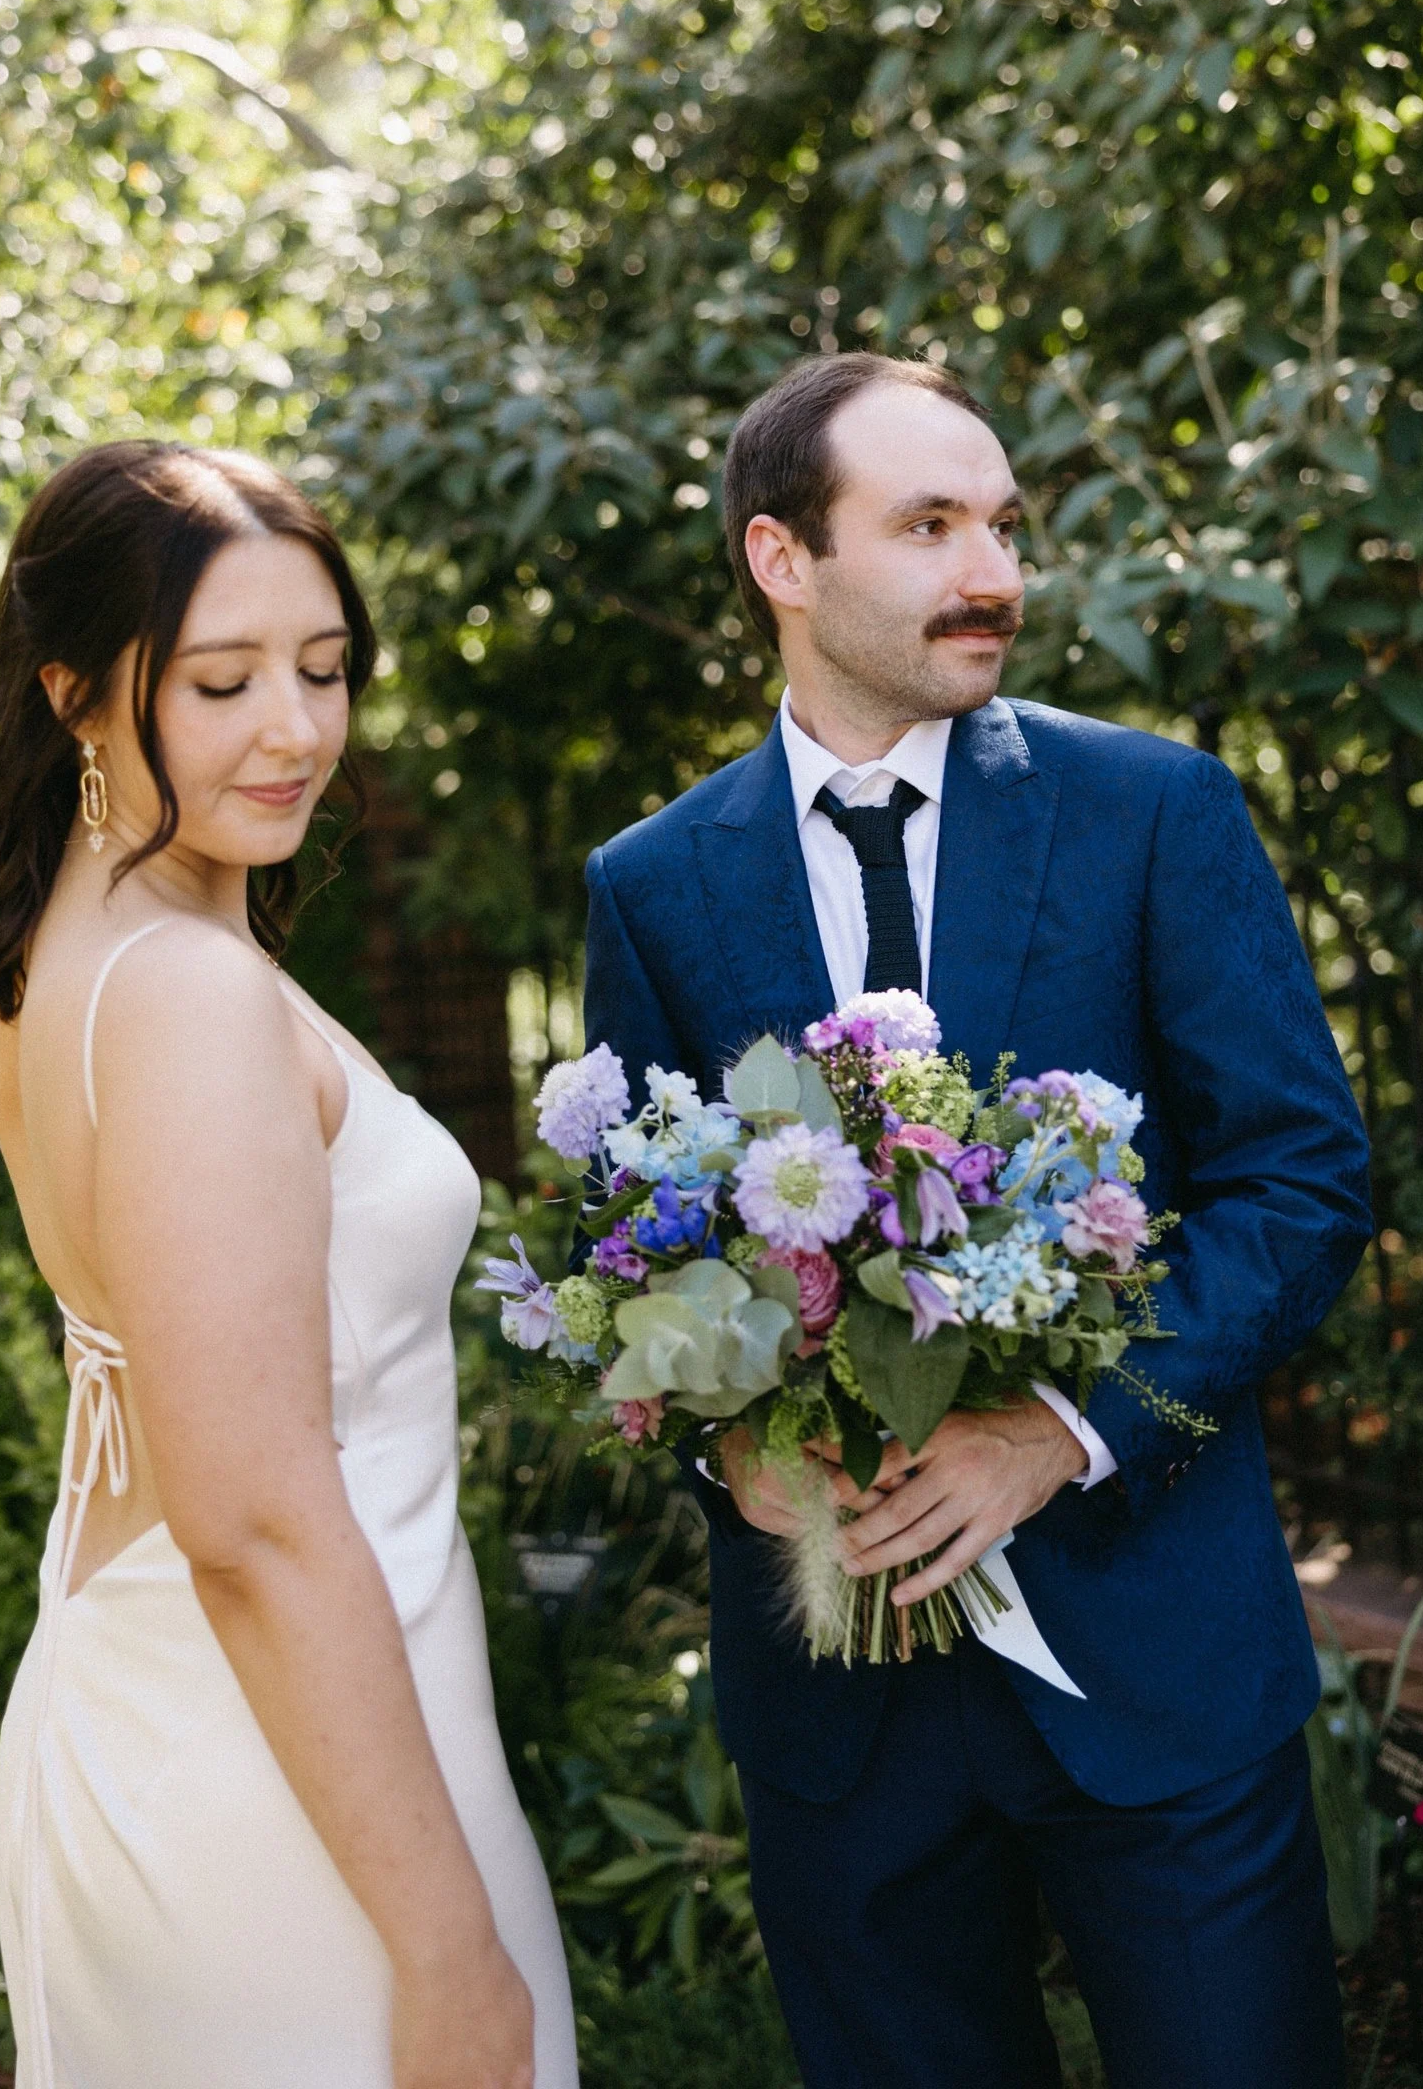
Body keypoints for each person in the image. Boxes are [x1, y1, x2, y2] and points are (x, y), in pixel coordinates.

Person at [581, 353, 1370, 2089]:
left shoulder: (1154, 811)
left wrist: (1061, 1434)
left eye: (1004, 524)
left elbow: (1303, 1183)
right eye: (930, 525)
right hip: (843, 1721)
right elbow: (630, 1246)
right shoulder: (653, 885)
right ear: (783, 561)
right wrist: (732, 1462)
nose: (993, 571)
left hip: (1155, 1664)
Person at [0, 443, 576, 2089]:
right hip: (277, 1782)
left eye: (325, 671)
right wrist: (447, 1950)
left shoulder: (84, 959)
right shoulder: (183, 992)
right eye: (224, 683)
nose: (297, 730)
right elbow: (252, 1517)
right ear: (78, 692)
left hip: (195, 1704)